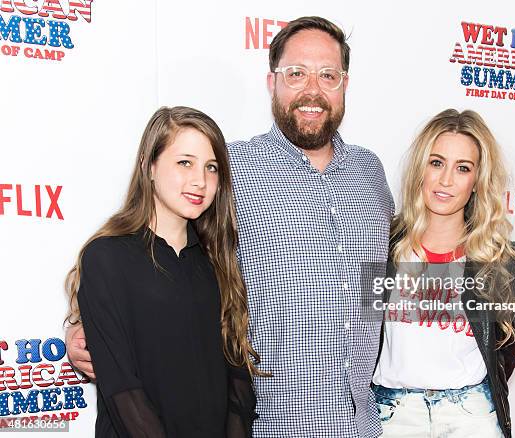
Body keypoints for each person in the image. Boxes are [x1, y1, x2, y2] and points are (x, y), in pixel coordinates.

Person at [66, 17, 394, 438]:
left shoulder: (370, 172)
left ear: (344, 84)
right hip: (270, 424)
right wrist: (81, 324)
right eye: (296, 74)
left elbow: (395, 272)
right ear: (271, 82)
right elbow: (150, 255)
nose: (312, 89)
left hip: (362, 425)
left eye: (327, 75)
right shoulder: (230, 169)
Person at [64, 106, 260, 437]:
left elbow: (237, 382)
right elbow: (122, 389)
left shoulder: (218, 263)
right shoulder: (107, 258)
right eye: (185, 162)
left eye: (211, 168)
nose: (200, 181)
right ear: (149, 166)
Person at [371, 109, 515, 438]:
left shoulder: (500, 260)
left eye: (463, 168)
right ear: (420, 170)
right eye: (436, 163)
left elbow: (505, 353)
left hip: (472, 417)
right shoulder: (382, 247)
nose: (445, 180)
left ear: (476, 182)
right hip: (393, 417)